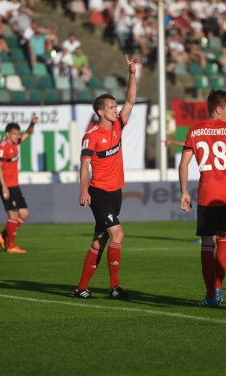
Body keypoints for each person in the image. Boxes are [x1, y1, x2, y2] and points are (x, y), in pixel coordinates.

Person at [74, 54, 140, 300]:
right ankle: (114, 287)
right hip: (99, 192)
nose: (116, 110)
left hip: (116, 192)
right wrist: (83, 189)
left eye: (115, 107)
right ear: (101, 111)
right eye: (111, 107)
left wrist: (132, 74)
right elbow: (85, 166)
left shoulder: (117, 126)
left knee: (99, 242)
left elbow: (131, 100)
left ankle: (81, 288)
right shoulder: (91, 136)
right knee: (118, 234)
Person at [178, 90, 226, 307]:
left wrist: (184, 191)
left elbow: (183, 164)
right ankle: (217, 287)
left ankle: (212, 294)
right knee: (225, 237)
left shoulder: (194, 130)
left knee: (207, 244)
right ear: (218, 109)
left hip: (207, 195)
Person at [0, 115, 39, 253]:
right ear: (8, 134)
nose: (16, 136)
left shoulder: (14, 143)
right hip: (6, 186)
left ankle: (2, 236)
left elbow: (28, 133)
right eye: (14, 134)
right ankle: (11, 246)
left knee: (24, 214)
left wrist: (32, 123)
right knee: (13, 216)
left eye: (17, 134)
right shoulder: (2, 148)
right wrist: (4, 186)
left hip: (15, 185)